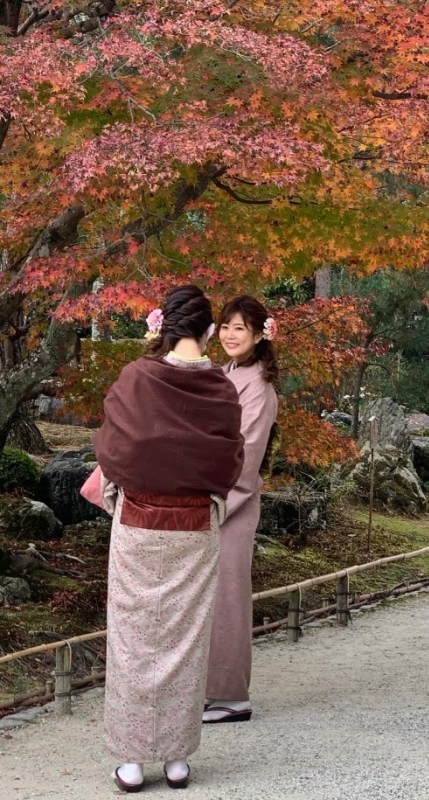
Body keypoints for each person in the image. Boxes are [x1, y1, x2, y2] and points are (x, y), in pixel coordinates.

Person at [94, 285, 244, 793]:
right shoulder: (221, 388)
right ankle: (178, 760)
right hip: (195, 528)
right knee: (185, 640)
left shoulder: (137, 377)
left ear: (163, 327)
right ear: (206, 332)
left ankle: (133, 763)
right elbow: (229, 459)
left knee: (134, 641)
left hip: (138, 523)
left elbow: (114, 445)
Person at [203, 296, 279, 724]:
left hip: (232, 500)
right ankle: (209, 689)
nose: (231, 336)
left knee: (229, 596)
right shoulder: (225, 375)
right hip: (209, 496)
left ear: (258, 335)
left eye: (240, 329)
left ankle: (233, 696)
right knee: (207, 598)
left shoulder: (259, 387)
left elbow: (246, 456)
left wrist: (211, 504)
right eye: (226, 327)